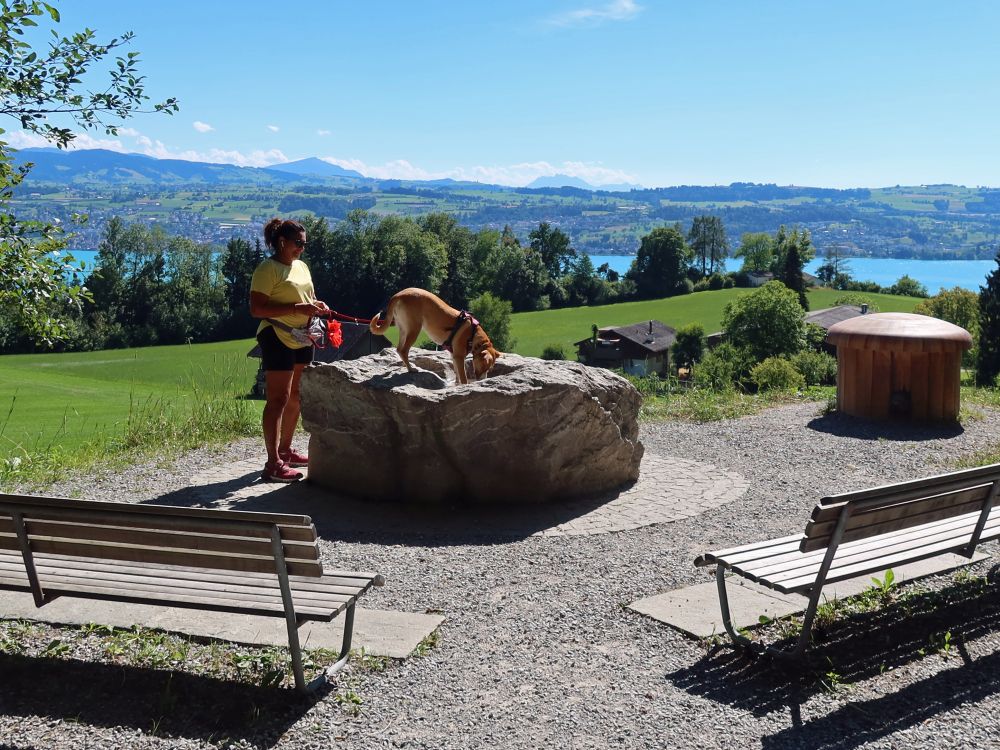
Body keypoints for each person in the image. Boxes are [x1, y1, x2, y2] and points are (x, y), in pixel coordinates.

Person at [249, 218, 330, 482]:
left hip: (303, 336)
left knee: (296, 394)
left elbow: (307, 297)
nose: (302, 249)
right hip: (276, 335)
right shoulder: (267, 269)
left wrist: (317, 305)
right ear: (281, 242)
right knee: (278, 399)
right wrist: (297, 310)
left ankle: (285, 450)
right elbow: (257, 309)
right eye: (298, 243)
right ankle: (273, 463)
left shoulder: (302, 266)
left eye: (305, 244)